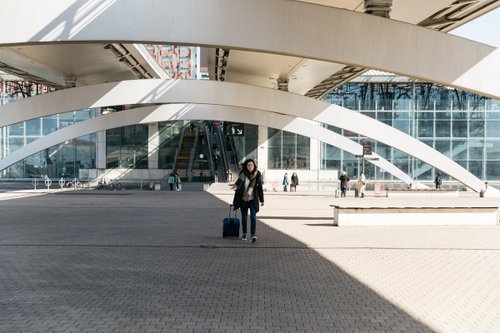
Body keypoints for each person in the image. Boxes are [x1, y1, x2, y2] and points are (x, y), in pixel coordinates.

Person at [232, 159, 264, 243]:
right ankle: (244, 233)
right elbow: (238, 190)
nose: (250, 167)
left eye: (252, 165)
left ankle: (253, 235)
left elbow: (260, 188)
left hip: (253, 200)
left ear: (254, 166)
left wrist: (262, 200)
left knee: (253, 217)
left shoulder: (257, 175)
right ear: (246, 166)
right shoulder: (242, 175)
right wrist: (235, 201)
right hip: (243, 200)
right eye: (248, 165)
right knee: (244, 218)